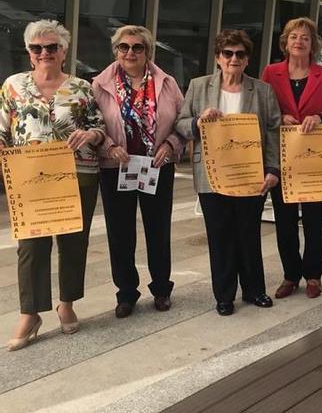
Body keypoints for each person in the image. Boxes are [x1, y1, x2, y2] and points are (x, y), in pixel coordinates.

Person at [2, 20, 106, 350]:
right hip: (29, 177)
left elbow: (99, 127)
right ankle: (30, 313)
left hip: (79, 174)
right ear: (29, 53)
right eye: (37, 48)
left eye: (52, 47)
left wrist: (90, 134)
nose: (44, 52)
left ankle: (67, 303)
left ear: (63, 51)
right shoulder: (13, 86)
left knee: (74, 242)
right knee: (31, 247)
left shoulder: (81, 88)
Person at [175, 29, 281, 316]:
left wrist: (273, 169)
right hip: (212, 175)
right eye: (228, 53)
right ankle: (224, 295)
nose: (233, 59)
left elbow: (273, 132)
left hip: (251, 175)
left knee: (248, 234)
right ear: (218, 58)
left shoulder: (262, 90)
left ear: (247, 60)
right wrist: (198, 121)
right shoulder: (199, 87)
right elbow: (180, 124)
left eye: (240, 54)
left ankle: (254, 290)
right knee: (220, 236)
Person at [92, 25, 185, 318]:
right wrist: (108, 145)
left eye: (137, 47)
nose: (130, 52)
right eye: (124, 47)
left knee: (158, 230)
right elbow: (90, 124)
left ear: (148, 51)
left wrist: (170, 145)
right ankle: (126, 293)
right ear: (116, 50)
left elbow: (183, 124)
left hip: (157, 166)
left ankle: (161, 289)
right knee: (120, 234)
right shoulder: (99, 84)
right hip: (116, 167)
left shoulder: (167, 83)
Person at [262, 18, 322, 299]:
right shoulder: (271, 73)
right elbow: (263, 110)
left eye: (305, 37)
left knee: (314, 219)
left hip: (313, 158)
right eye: (294, 36)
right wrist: (278, 116)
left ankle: (313, 275)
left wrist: (319, 117)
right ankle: (290, 275)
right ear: (286, 41)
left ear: (313, 43)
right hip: (282, 157)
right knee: (284, 219)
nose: (299, 41)